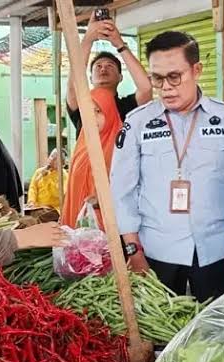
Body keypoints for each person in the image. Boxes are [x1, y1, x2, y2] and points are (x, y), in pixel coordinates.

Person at [110, 31, 224, 304]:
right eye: (157, 78)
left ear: (197, 70)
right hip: (156, 253)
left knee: (215, 332)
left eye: (174, 76)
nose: (166, 87)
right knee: (160, 335)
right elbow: (122, 191)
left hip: (214, 251)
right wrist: (133, 251)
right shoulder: (138, 123)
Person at [67, 14, 152, 138]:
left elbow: (146, 88)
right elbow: (72, 86)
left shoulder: (127, 106)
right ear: (90, 78)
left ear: (120, 77)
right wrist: (88, 39)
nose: (103, 69)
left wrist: (119, 44)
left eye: (110, 65)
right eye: (98, 66)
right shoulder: (83, 107)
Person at [62, 88, 122, 228]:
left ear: (110, 112)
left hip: (109, 229)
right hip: (79, 223)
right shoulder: (83, 143)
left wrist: (102, 200)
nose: (92, 117)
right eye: (89, 111)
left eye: (98, 111)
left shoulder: (122, 145)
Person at [27, 148, 69, 213]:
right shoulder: (39, 171)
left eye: (55, 159)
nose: (51, 159)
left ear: (61, 163)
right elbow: (33, 188)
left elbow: (58, 194)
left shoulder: (63, 175)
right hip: (38, 207)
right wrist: (31, 201)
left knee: (38, 216)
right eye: (51, 156)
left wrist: (46, 178)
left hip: (54, 209)